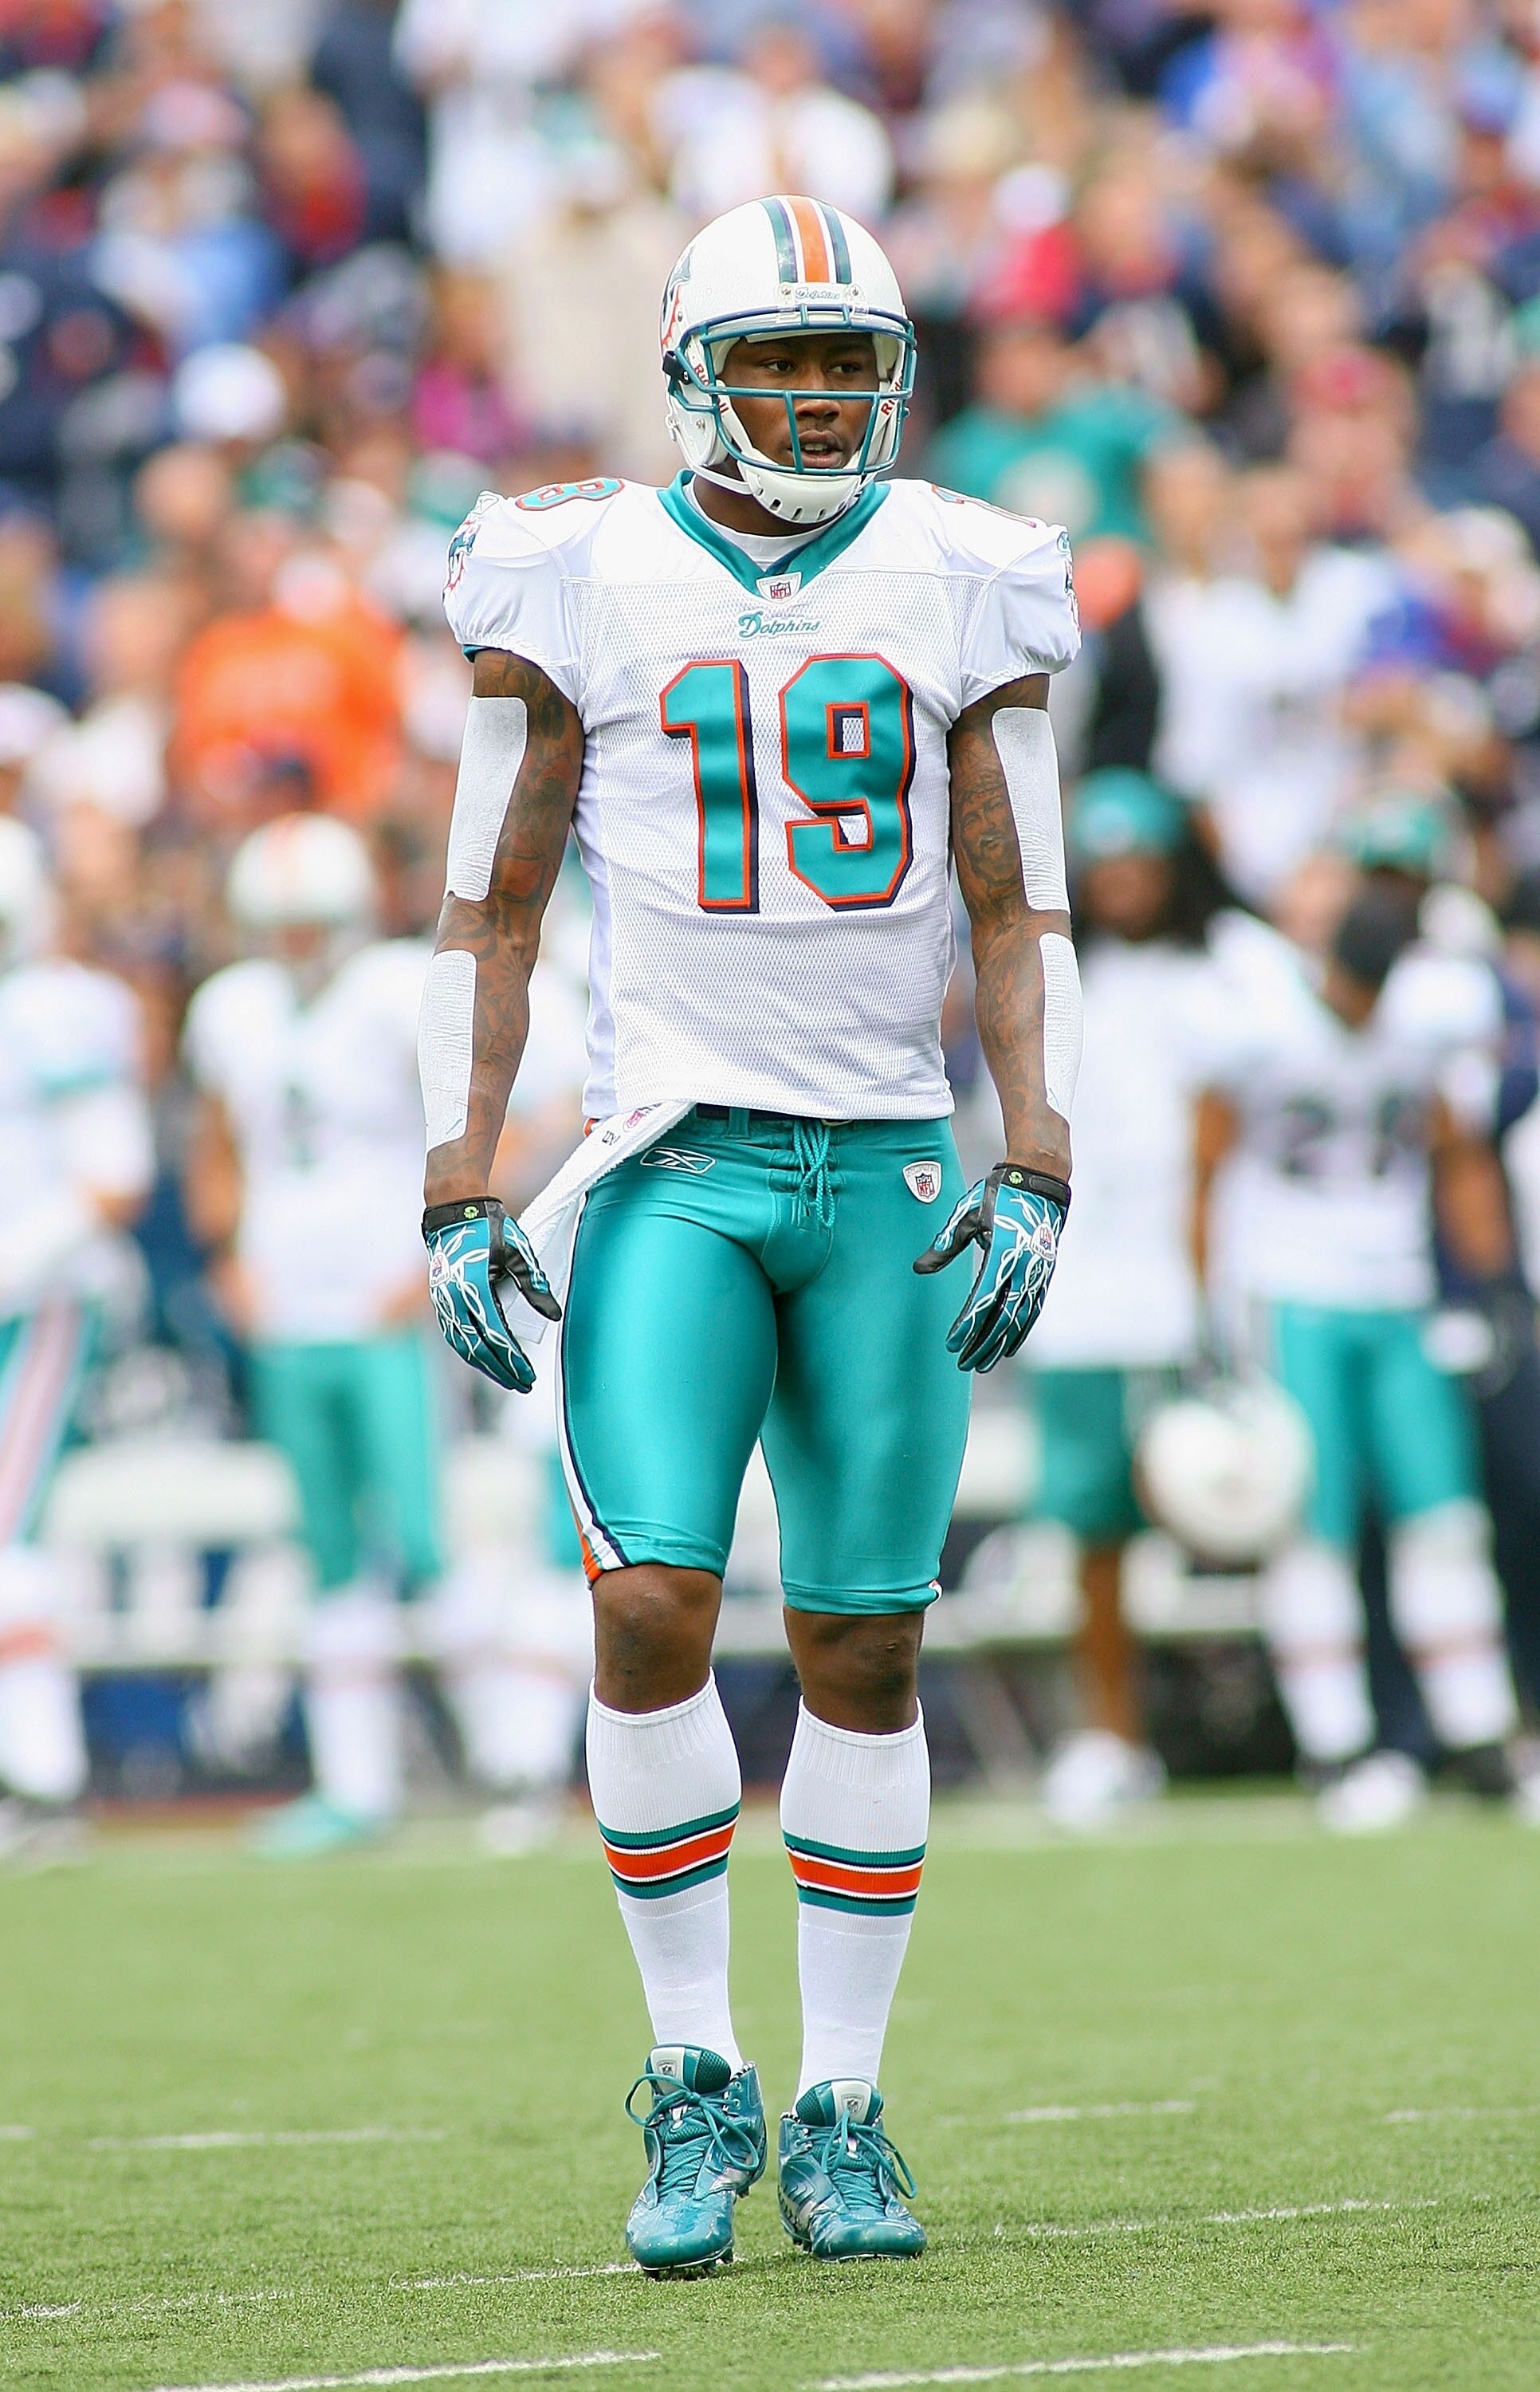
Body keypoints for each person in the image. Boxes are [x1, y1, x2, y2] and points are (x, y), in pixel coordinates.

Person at [417, 196, 1081, 2273]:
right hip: (675, 1167)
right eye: (777, 358)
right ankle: (697, 2072)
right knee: (646, 1614)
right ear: (696, 368)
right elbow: (491, 901)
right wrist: (459, 1167)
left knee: (869, 1640)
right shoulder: (576, 565)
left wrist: (1039, 1147)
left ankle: (843, 2106)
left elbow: (1015, 899)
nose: (813, 396)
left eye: (843, 360)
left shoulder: (964, 574)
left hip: (881, 1166)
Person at [183, 814, 562, 1855]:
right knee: (329, 1551)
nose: (298, 945)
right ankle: (357, 1786)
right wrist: (227, 1260)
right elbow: (215, 1140)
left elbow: (509, 1113)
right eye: (281, 925)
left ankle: (508, 1764)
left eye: (312, 925)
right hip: (286, 1307)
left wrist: (435, 1250)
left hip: (386, 1302)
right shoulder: (234, 1009)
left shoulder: (397, 992)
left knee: (430, 1539)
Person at [1196, 883, 1538, 1831]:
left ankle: (1479, 1734)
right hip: (1291, 1292)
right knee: (1314, 1525)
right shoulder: (1260, 1019)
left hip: (1395, 1289)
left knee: (1444, 1519)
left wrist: (1496, 1281)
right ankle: (1336, 1743)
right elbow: (1208, 1161)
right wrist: (1207, 1310)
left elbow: (1458, 1150)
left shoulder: (1430, 1013)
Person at [1023, 769, 1285, 1828]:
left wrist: (1212, 1288)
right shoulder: (1056, 972)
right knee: (1094, 1532)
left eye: (1143, 858)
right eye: (1108, 859)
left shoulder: (1227, 968)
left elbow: (1237, 1132)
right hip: (1084, 1293)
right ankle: (1113, 1733)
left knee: (1245, 1506)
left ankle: (1303, 1721)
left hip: (1197, 1292)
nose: (1125, 880)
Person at [0, 817, 155, 1856]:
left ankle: (45, 1785)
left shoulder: (58, 1009)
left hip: (42, 1298)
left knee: (6, 1534)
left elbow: (113, 1177)